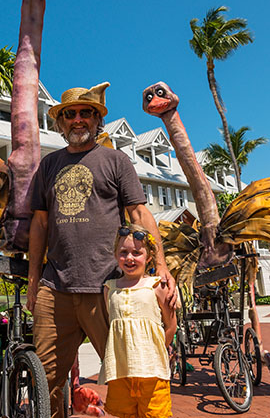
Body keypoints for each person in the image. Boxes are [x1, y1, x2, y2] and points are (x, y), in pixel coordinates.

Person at [27, 82, 175, 418]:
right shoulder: (48, 166)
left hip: (107, 287)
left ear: (97, 120)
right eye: (70, 115)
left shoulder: (115, 161)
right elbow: (39, 224)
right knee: (46, 380)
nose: (77, 120)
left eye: (85, 113)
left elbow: (139, 213)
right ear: (60, 122)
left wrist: (161, 266)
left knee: (128, 376)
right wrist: (34, 277)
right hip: (56, 288)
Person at [98, 224, 176, 418]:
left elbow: (171, 325)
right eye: (123, 252)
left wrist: (157, 350)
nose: (130, 258)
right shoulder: (109, 289)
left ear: (148, 257)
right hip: (120, 373)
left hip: (152, 372)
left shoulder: (157, 286)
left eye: (137, 252)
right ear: (116, 255)